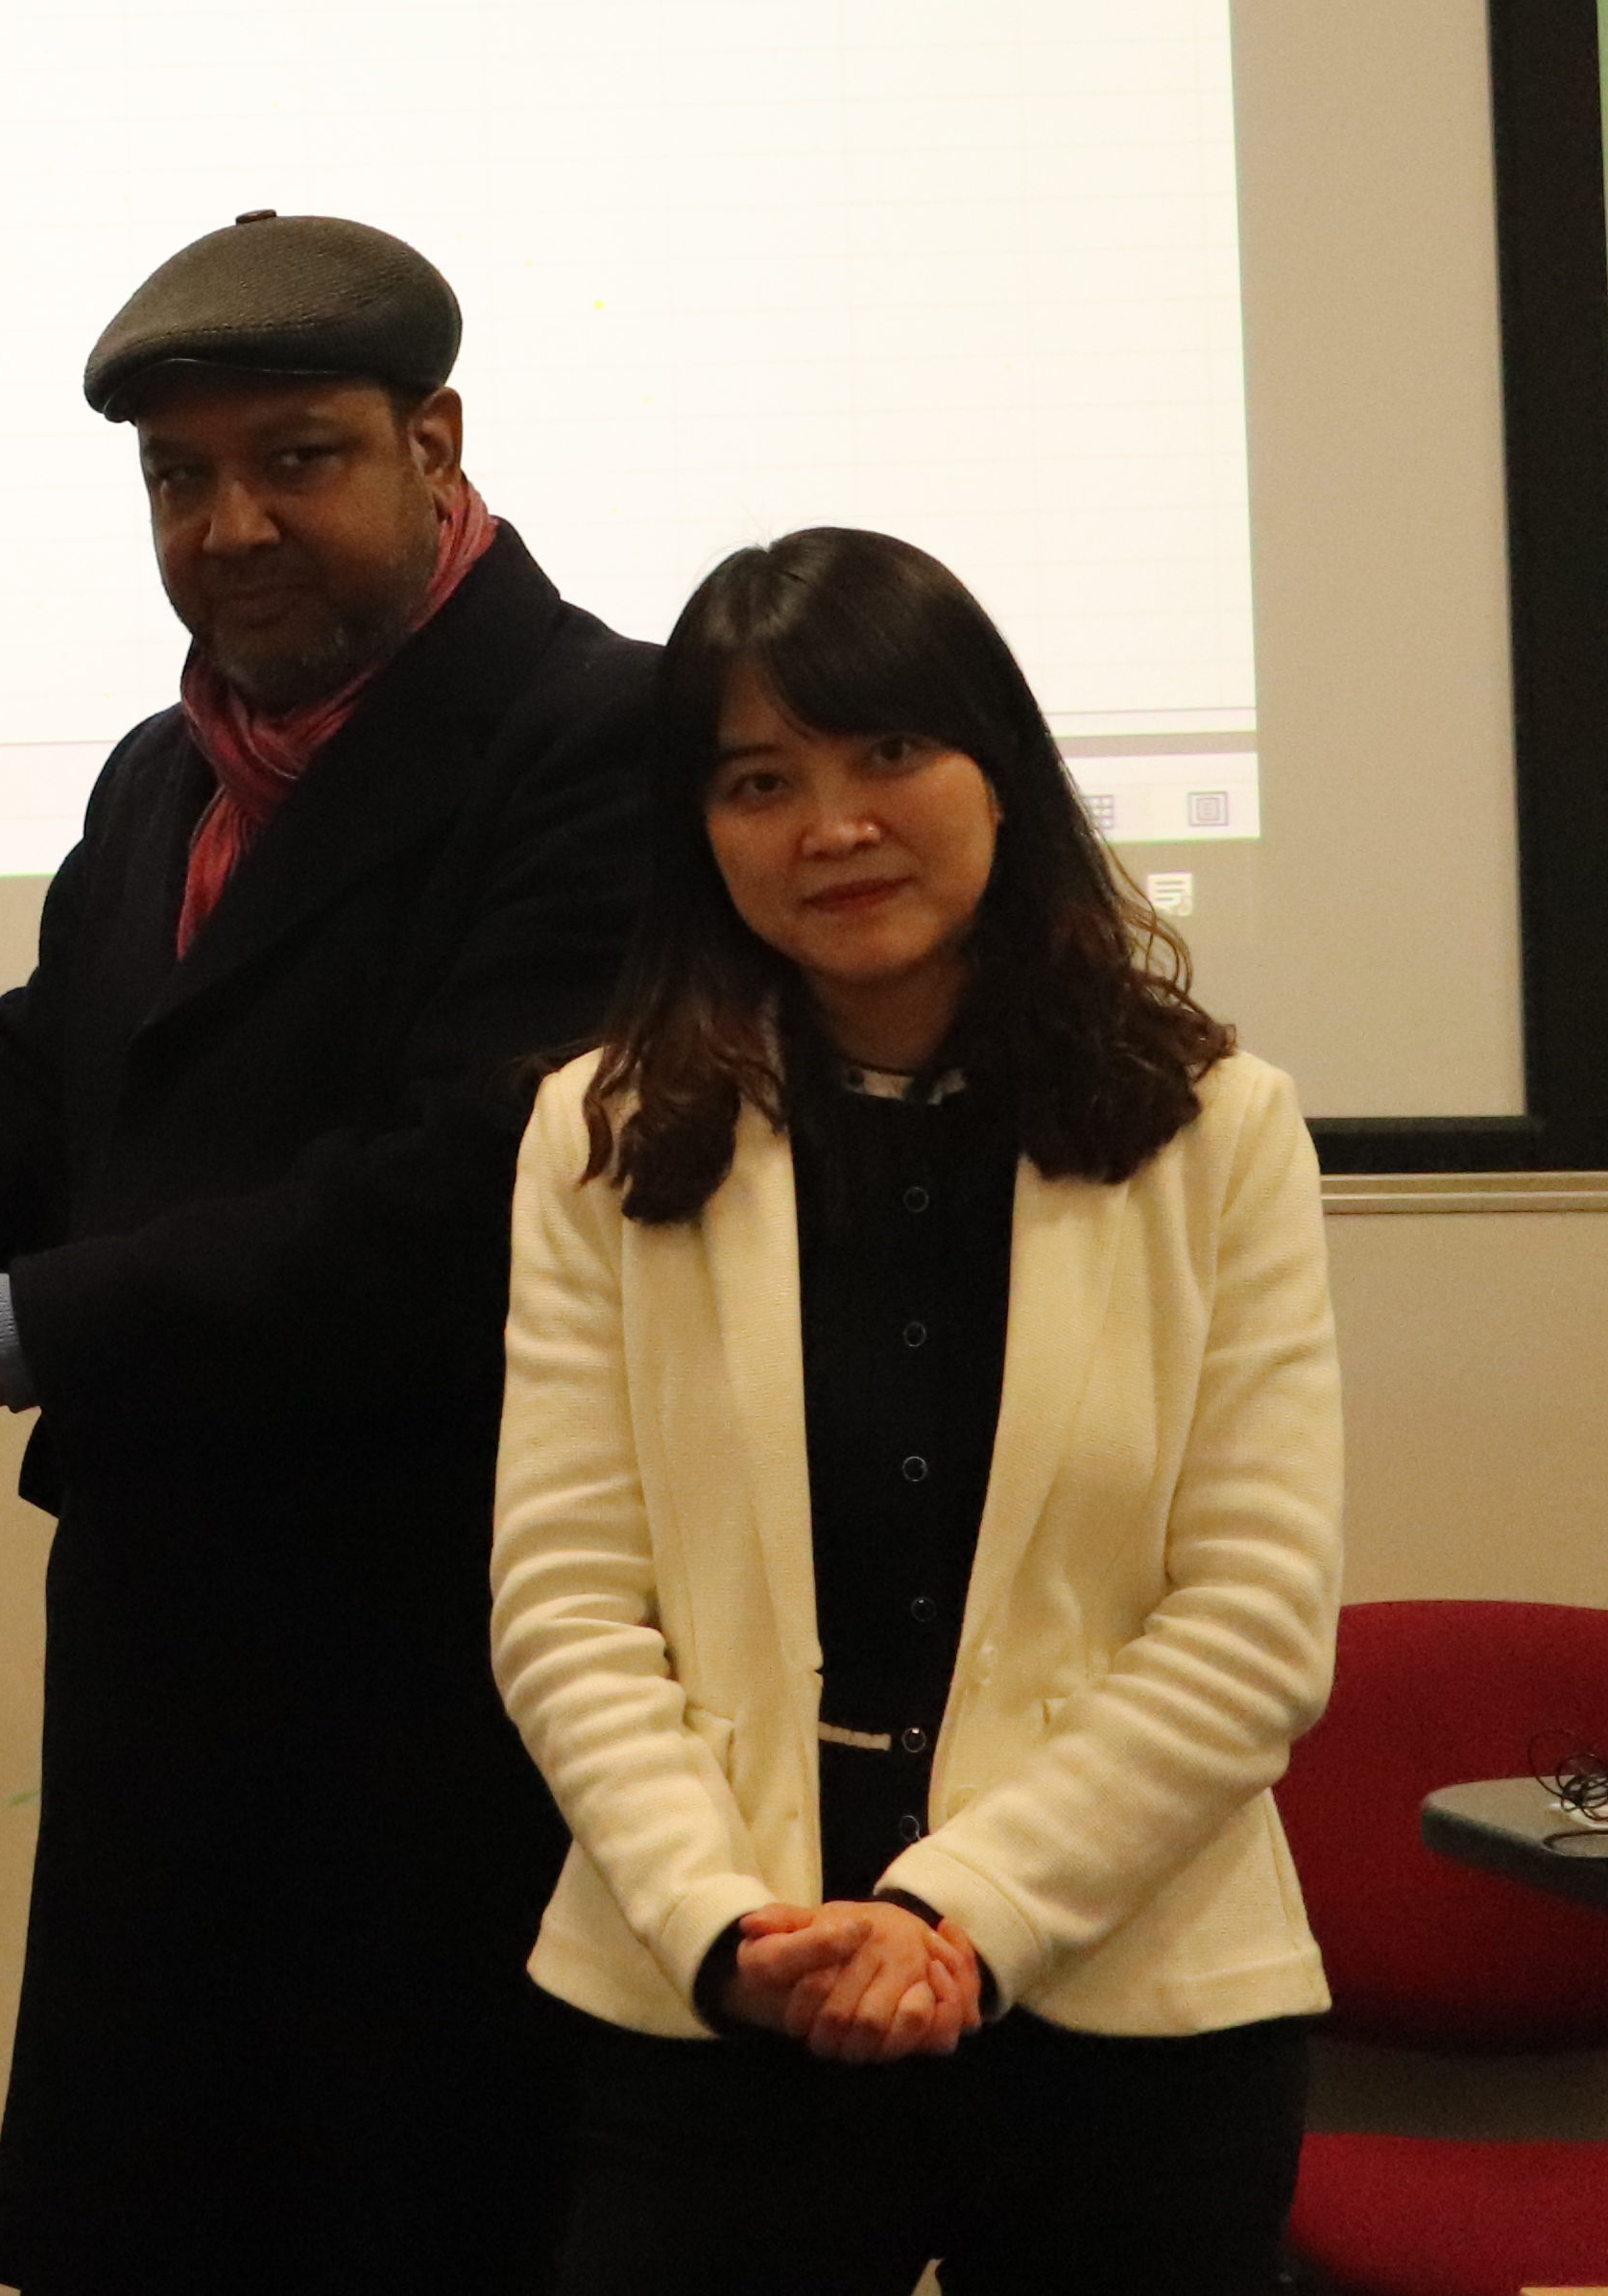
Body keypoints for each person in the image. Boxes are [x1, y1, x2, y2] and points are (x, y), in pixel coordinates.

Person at [0, 208, 652, 2293]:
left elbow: (462, 1190)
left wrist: (6, 1320)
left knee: (412, 2215)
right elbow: (55, 1072)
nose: (231, 522)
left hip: (451, 1648)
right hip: (177, 1641)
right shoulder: (169, 766)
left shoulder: (599, 733)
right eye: (180, 475)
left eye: (295, 457)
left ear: (437, 439)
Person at [496, 526, 1341, 2296]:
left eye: (891, 752)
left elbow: (1254, 1622)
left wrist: (962, 1913)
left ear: (1000, 771)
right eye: (760, 779)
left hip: (1133, 2014)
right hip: (720, 1994)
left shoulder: (1218, 1128)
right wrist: (726, 1929)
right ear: (699, 829)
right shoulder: (600, 1130)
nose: (835, 824)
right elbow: (569, 1607)